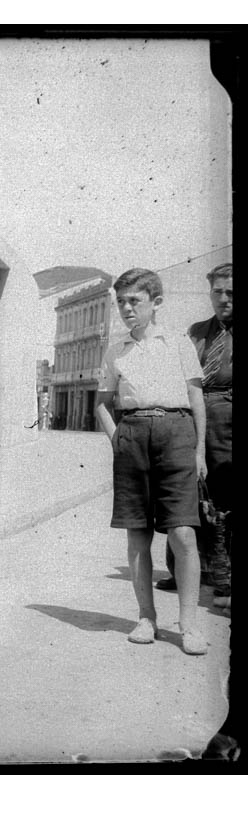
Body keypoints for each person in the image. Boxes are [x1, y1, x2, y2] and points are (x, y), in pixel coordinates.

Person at [94, 268, 209, 655]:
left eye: (134, 301)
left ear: (155, 303)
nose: (126, 308)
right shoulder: (116, 350)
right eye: (120, 301)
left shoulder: (178, 343)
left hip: (176, 433)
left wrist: (198, 451)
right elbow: (102, 404)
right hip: (133, 437)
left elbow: (196, 401)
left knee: (183, 534)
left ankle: (189, 625)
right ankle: (147, 617)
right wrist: (118, 441)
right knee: (137, 534)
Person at [155, 263, 232, 607]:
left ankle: (223, 577)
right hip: (198, 414)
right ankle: (182, 570)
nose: (224, 299)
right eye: (218, 292)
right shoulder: (198, 331)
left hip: (230, 418)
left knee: (225, 500)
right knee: (190, 495)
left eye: (231, 292)